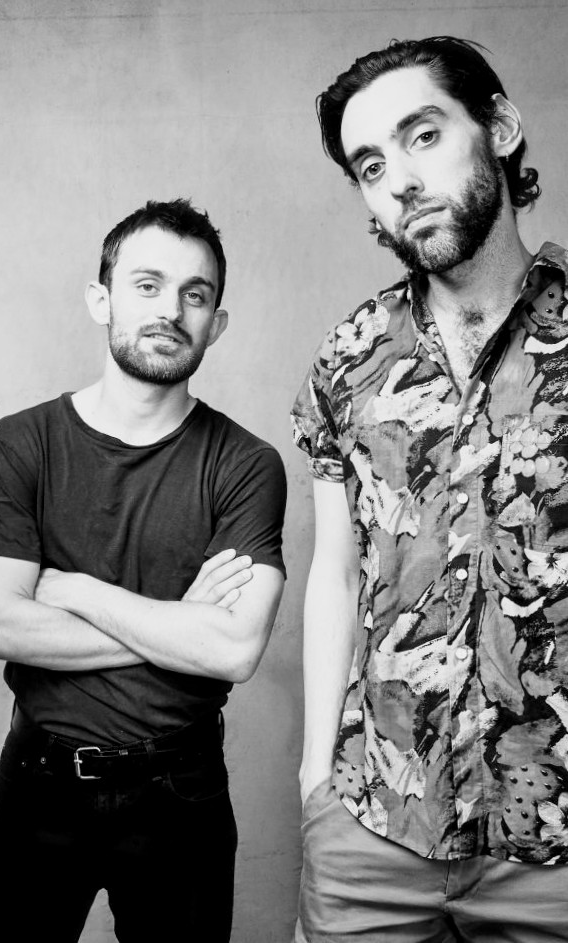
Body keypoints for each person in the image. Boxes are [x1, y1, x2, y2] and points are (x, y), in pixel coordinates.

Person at [292, 35, 568, 942]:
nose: (401, 181)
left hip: (557, 846)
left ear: (500, 128)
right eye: (371, 166)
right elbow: (336, 573)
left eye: (423, 135)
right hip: (374, 824)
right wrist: (315, 779)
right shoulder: (349, 356)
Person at [0, 198, 286, 942]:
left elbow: (234, 650)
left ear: (216, 323)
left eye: (195, 294)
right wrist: (178, 624)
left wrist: (75, 590)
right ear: (100, 299)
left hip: (182, 792)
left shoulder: (246, 465)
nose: (171, 309)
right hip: (40, 782)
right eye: (147, 285)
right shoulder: (21, 444)